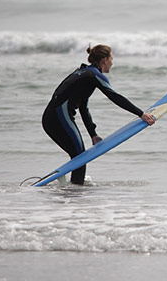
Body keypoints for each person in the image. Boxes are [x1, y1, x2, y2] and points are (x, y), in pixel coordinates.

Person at [42, 44, 155, 185]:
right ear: (104, 60)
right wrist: (141, 114)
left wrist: (93, 134)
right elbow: (115, 96)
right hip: (59, 118)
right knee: (80, 158)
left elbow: (83, 107)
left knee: (78, 157)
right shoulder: (94, 75)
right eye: (111, 59)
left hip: (50, 118)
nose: (112, 63)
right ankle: (75, 194)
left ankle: (72, 191)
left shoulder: (83, 73)